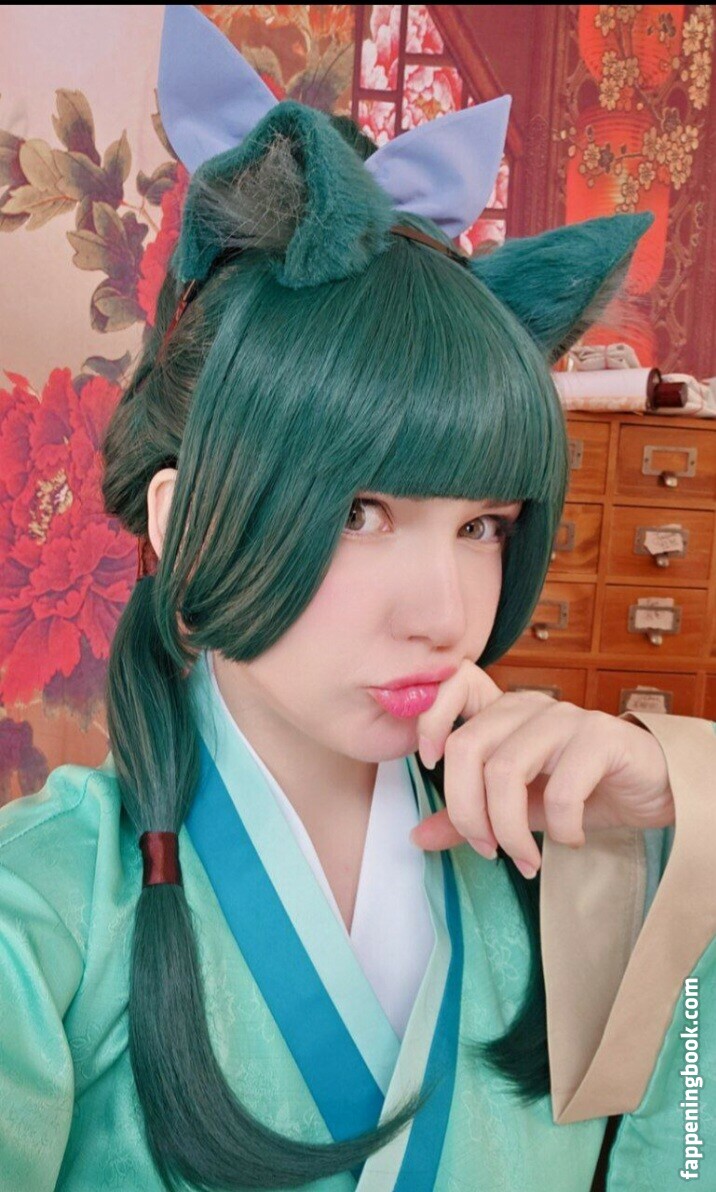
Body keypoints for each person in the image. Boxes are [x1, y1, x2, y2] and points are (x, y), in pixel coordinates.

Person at [0, 7, 714, 1190]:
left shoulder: (585, 858)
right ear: (182, 521)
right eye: (358, 512)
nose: (443, 611)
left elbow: (685, 1143)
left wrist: (689, 816)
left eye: (482, 526)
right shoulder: (43, 910)